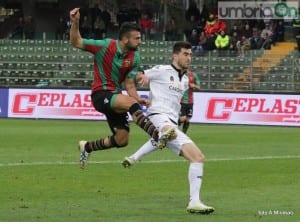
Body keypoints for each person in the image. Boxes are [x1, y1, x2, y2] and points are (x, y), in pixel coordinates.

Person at [69, 8, 174, 169]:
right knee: (131, 105)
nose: (140, 41)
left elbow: (130, 83)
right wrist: (75, 22)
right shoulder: (104, 46)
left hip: (116, 97)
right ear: (125, 39)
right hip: (101, 94)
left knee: (121, 140)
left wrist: (137, 98)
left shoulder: (135, 57)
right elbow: (76, 42)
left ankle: (87, 147)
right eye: (137, 38)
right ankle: (157, 135)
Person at [122, 41, 215, 214]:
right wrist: (141, 76)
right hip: (157, 115)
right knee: (167, 131)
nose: (189, 58)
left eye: (190, 55)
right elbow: (140, 74)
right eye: (185, 54)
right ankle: (161, 136)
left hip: (170, 120)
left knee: (198, 158)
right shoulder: (162, 70)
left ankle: (137, 156)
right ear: (175, 56)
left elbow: (174, 104)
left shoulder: (186, 80)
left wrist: (179, 117)